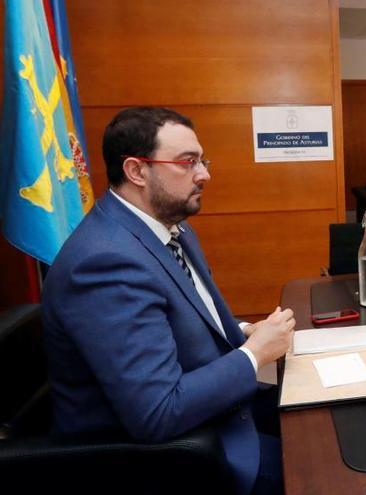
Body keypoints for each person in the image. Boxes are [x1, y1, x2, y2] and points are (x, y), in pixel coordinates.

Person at [41, 107, 296, 495]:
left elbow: (183, 317)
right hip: (173, 456)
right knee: (322, 470)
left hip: (218, 413)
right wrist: (254, 355)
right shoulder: (104, 263)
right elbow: (157, 413)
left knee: (333, 414)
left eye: (203, 161)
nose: (205, 174)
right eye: (187, 163)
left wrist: (246, 331)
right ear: (136, 171)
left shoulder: (171, 229)